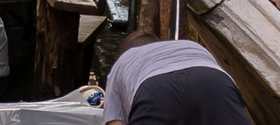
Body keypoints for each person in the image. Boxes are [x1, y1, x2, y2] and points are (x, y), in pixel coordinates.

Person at [101, 36, 251, 125]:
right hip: (213, 81)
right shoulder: (187, 46)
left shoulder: (121, 64)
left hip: (154, 89)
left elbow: (115, 122)